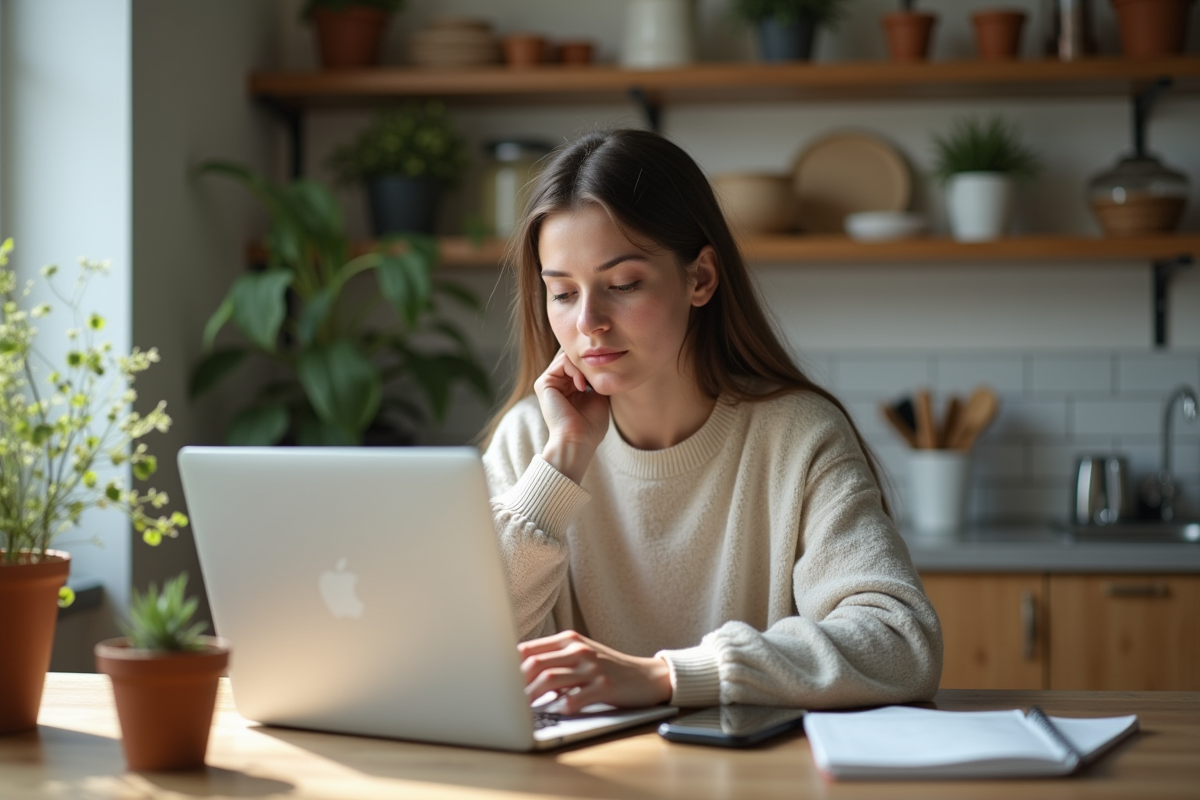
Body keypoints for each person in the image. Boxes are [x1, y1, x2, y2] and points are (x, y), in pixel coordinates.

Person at [480, 129, 942, 714]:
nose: (589, 321)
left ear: (700, 278)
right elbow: (463, 644)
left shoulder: (797, 435)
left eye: (622, 285)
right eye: (563, 294)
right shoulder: (531, 439)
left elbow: (902, 641)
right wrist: (562, 461)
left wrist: (672, 675)